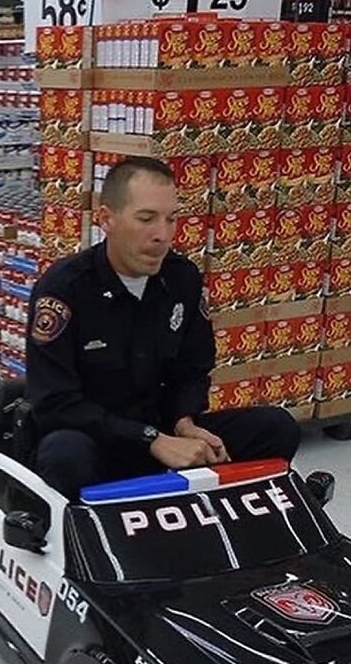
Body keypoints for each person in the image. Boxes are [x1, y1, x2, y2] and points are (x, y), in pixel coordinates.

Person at [26, 157, 301, 500]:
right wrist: (149, 439)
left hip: (166, 434)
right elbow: (54, 404)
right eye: (146, 219)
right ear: (106, 219)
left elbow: (194, 368)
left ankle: (227, 521)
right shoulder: (63, 290)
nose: (162, 235)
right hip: (97, 441)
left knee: (277, 428)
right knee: (64, 456)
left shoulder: (182, 278)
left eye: (171, 219)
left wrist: (185, 422)